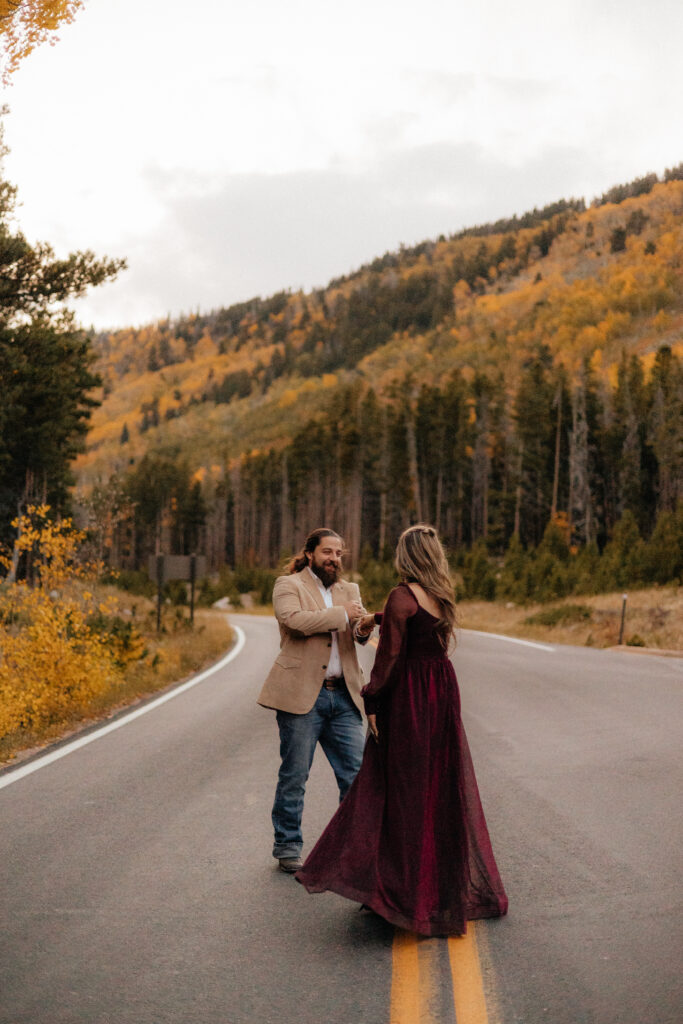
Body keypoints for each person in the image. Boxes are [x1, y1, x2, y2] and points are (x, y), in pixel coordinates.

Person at [296, 524, 508, 936]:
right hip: (441, 692)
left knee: (395, 793)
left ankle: (399, 893)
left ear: (406, 556)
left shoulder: (401, 596)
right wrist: (378, 617)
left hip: (409, 699)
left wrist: (372, 700)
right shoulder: (440, 595)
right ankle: (434, 890)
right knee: (435, 789)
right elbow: (415, 628)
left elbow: (390, 659)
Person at [258, 528, 375, 874]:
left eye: (339, 554)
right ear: (310, 553)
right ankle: (287, 846)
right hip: (302, 696)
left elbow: (358, 632)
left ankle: (351, 847)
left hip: (345, 697)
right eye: (327, 552)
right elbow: (295, 622)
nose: (334, 559)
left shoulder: (349, 590)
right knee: (295, 775)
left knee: (356, 777)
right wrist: (343, 615)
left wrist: (364, 627)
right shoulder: (288, 585)